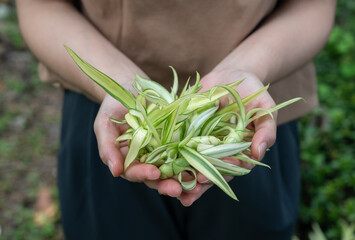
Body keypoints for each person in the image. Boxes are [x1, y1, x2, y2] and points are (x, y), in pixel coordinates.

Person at [16, 0, 336, 239]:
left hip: (248, 116)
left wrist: (250, 68)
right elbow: (40, 6)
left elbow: (313, 6)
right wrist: (117, 82)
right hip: (114, 118)